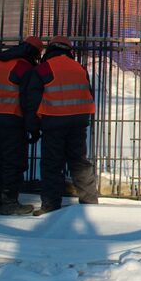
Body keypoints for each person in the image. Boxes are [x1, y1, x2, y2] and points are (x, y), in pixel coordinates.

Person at [33, 35, 99, 216]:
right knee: (79, 162)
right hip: (78, 122)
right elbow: (88, 93)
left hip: (53, 121)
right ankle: (89, 202)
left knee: (52, 164)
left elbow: (33, 98)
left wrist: (33, 123)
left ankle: (50, 205)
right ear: (69, 50)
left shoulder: (44, 68)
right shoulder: (80, 68)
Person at [0, 36, 43, 215]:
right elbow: (28, 100)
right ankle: (9, 202)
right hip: (11, 119)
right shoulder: (23, 67)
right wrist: (33, 126)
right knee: (13, 162)